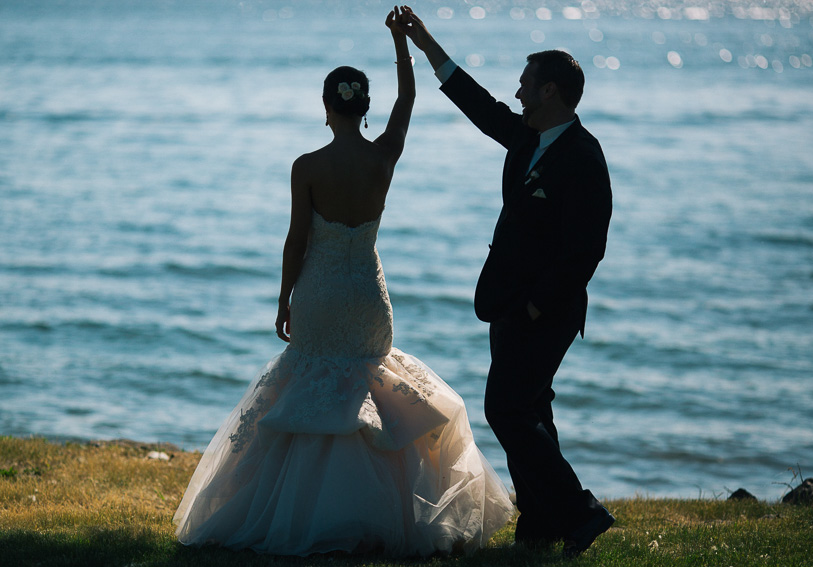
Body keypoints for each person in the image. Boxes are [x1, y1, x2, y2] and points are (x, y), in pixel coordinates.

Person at [173, 8, 513, 557]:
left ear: (328, 108)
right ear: (365, 107)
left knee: (311, 386)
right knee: (366, 385)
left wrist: (283, 299)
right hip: (366, 295)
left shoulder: (306, 165)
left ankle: (303, 511)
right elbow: (408, 102)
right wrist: (402, 45)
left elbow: (295, 241)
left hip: (321, 293)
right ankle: (387, 510)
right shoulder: (384, 156)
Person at [398, 6, 614, 557]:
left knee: (506, 408)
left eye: (525, 84)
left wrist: (539, 307)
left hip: (547, 310)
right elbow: (476, 102)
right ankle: (541, 524)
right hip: (506, 302)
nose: (516, 93)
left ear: (550, 92)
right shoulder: (524, 136)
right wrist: (426, 45)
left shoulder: (584, 157)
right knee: (531, 410)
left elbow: (585, 250)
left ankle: (580, 512)